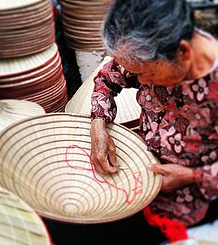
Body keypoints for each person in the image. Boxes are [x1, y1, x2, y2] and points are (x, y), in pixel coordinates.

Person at [90, 0, 218, 243]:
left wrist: (192, 176)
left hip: (192, 200)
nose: (138, 79)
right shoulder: (148, 52)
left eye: (145, 73)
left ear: (184, 52)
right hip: (138, 172)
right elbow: (107, 79)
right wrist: (98, 126)